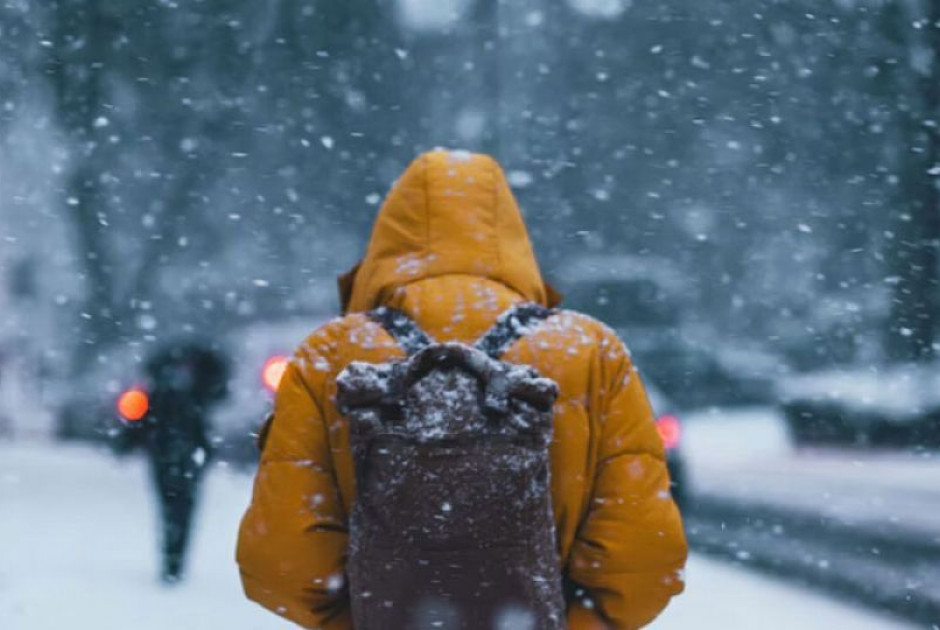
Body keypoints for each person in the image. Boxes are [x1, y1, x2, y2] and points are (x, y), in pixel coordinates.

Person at [237, 150, 688, 628]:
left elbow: (278, 563)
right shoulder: (590, 351)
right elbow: (644, 563)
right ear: (512, 238)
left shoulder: (330, 354)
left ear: (387, 239)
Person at [121, 340, 229, 583]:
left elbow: (140, 420)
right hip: (185, 455)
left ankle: (172, 558)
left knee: (170, 507)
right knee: (182, 508)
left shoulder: (162, 388)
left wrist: (130, 442)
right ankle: (175, 558)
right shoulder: (197, 389)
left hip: (167, 454)